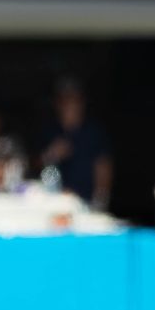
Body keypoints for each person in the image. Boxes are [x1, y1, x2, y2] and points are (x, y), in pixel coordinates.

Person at [39, 79, 112, 212]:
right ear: (57, 104)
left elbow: (103, 166)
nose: (69, 105)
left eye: (74, 100)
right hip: (54, 204)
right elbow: (32, 166)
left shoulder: (93, 132)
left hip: (86, 203)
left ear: (82, 103)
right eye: (64, 100)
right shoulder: (49, 131)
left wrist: (100, 201)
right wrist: (51, 155)